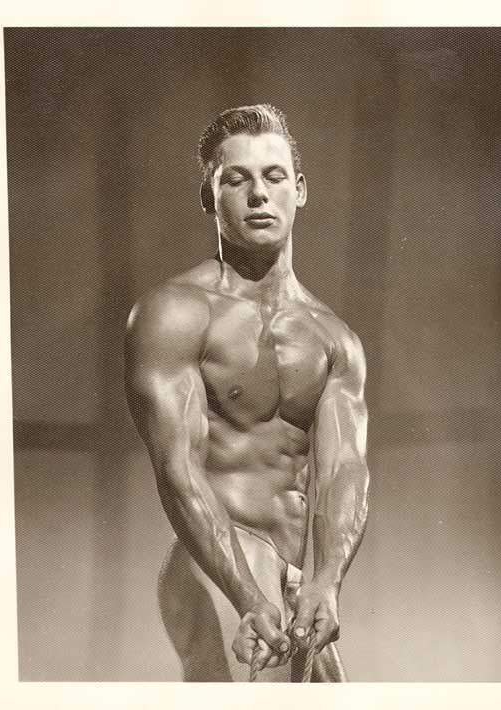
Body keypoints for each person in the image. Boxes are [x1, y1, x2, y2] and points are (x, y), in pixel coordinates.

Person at [124, 104, 370, 682]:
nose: (258, 193)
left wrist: (327, 579)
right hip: (220, 563)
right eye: (236, 179)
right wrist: (246, 595)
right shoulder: (176, 313)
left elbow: (345, 469)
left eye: (273, 176)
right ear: (208, 197)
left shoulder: (334, 338)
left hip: (289, 580)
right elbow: (178, 471)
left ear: (299, 190)